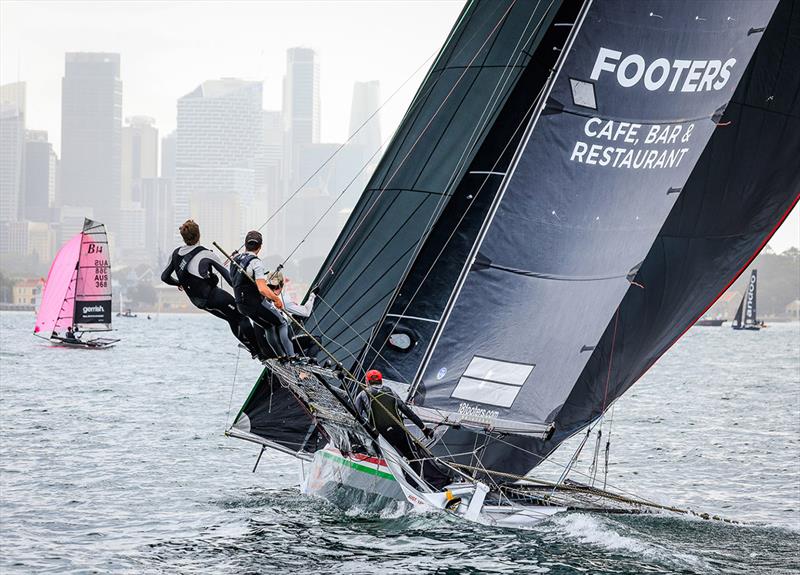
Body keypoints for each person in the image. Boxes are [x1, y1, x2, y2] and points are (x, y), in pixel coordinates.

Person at [161, 220, 261, 358]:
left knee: (231, 318)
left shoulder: (176, 253)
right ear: (199, 235)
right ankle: (259, 350)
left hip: (198, 302)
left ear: (184, 237)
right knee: (241, 316)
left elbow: (165, 277)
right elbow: (231, 280)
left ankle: (252, 348)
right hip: (212, 297)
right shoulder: (207, 254)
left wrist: (180, 283)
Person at [230, 230, 295, 359]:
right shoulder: (256, 262)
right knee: (281, 322)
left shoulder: (235, 260)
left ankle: (279, 357)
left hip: (241, 305)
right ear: (260, 247)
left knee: (268, 326)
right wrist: (276, 299)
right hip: (255, 303)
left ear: (245, 245)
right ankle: (291, 357)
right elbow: (262, 289)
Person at [354, 369, 434, 474]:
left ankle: (406, 482)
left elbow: (355, 418)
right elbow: (407, 411)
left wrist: (357, 442)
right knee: (413, 457)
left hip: (381, 436)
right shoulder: (391, 391)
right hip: (400, 432)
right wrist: (424, 429)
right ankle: (423, 480)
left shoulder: (362, 395)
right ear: (381, 380)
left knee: (394, 462)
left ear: (367, 381)